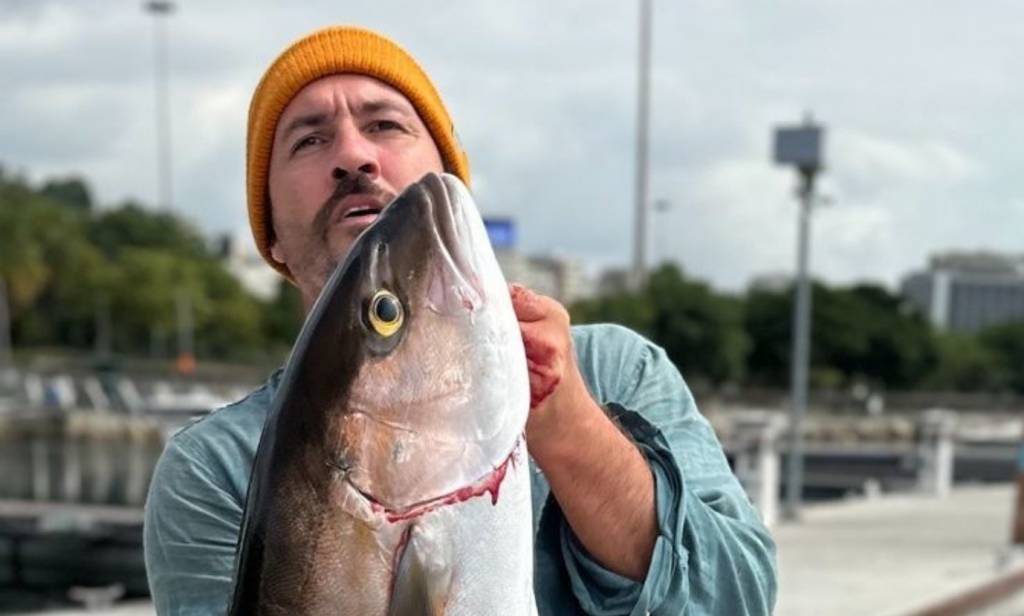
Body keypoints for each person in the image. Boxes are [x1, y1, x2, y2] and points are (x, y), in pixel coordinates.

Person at [143, 25, 777, 615]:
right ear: (271, 236)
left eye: (385, 124)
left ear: (450, 178)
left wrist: (571, 426)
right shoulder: (211, 468)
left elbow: (738, 598)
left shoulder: (618, 369)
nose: (354, 155)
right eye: (309, 139)